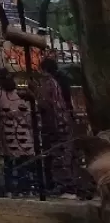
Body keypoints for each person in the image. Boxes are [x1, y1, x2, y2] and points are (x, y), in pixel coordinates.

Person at [34, 56, 78, 195]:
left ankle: (61, 184)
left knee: (57, 154)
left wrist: (33, 94)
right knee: (67, 153)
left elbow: (46, 103)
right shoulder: (62, 79)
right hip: (64, 119)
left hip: (55, 122)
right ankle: (70, 183)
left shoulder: (49, 82)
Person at [0, 68, 35, 197]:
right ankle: (25, 188)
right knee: (23, 162)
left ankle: (10, 189)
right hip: (22, 130)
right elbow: (28, 113)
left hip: (8, 131)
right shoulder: (20, 94)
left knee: (8, 162)